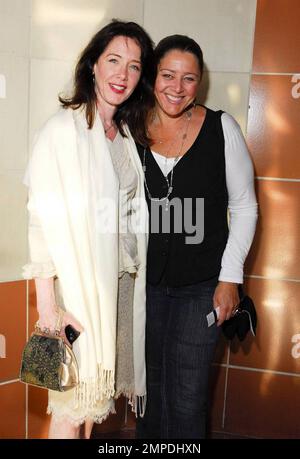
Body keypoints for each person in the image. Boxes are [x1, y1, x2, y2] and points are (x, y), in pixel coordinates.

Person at [22, 20, 155, 439]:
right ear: (93, 66)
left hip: (117, 288)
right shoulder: (62, 131)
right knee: (68, 406)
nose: (122, 74)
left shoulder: (126, 136)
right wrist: (48, 310)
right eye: (113, 61)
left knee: (93, 408)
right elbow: (39, 220)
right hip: (73, 294)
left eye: (134, 67)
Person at [135, 35, 258, 439]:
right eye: (168, 75)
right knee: (146, 395)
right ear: (153, 76)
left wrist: (230, 279)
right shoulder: (130, 128)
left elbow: (244, 207)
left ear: (200, 82)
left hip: (201, 288)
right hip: (143, 288)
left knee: (187, 400)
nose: (177, 87)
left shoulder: (223, 129)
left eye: (189, 78)